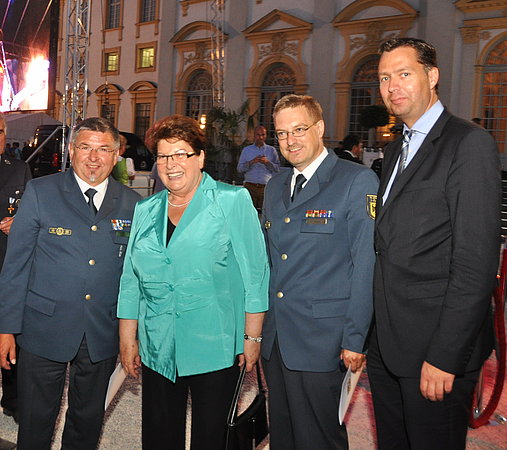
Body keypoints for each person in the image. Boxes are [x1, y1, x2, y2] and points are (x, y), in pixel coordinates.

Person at [368, 37, 501, 449]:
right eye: (385, 77)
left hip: (435, 351)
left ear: (433, 76)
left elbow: (475, 264)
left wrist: (445, 355)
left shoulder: (468, 143)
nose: (393, 86)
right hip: (389, 345)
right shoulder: (395, 151)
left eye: (404, 74)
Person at [117, 114, 269, 450]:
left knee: (212, 437)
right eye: (163, 155)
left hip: (214, 345)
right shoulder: (146, 209)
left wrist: (252, 336)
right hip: (159, 343)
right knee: (158, 435)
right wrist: (128, 336)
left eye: (181, 153)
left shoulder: (231, 201)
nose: (171, 164)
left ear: (199, 157)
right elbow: (131, 278)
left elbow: (255, 274)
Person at [0, 117, 141, 450]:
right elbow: (16, 266)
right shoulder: (41, 192)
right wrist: (6, 328)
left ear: (117, 154)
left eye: (104, 149)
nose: (94, 157)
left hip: (100, 330)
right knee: (35, 420)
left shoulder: (134, 204)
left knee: (87, 421)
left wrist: (130, 333)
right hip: (42, 326)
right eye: (86, 147)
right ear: (70, 150)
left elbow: (135, 274)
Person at [261, 94, 378, 450]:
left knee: (318, 438)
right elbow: (270, 261)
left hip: (323, 339)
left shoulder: (356, 181)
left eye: (299, 129)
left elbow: (366, 265)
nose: (290, 141)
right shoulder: (275, 184)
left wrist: (355, 338)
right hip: (277, 336)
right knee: (282, 432)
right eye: (281, 134)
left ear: (320, 128)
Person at [0, 113, 31, 427]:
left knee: (11, 337)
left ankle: (13, 400)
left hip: (8, 268)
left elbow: (32, 213)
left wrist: (19, 223)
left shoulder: (19, 169)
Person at [237, 125, 280, 209]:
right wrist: (252, 162)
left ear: (266, 135)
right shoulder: (247, 150)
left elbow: (277, 169)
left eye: (263, 135)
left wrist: (267, 162)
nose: (260, 137)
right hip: (250, 186)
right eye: (258, 135)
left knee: (265, 212)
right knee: (248, 212)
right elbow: (239, 169)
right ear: (254, 135)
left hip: (265, 187)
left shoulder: (271, 150)